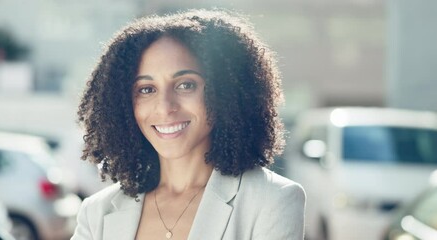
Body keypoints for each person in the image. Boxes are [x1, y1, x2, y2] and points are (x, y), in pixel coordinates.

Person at [71, 9, 305, 240]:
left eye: (185, 85)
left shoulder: (273, 200)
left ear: (225, 91)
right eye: (146, 89)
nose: (165, 107)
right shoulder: (97, 212)